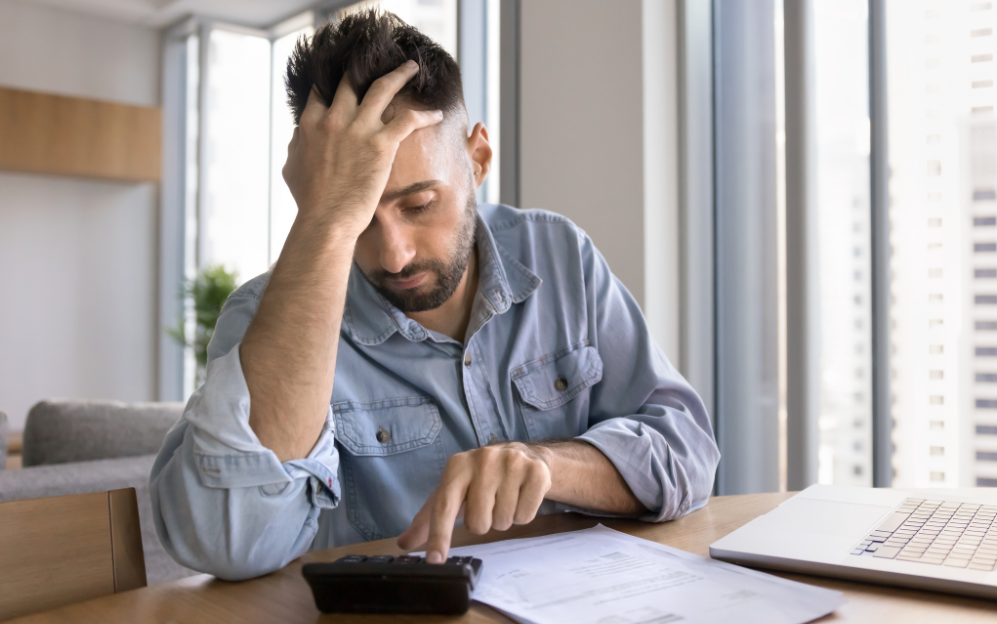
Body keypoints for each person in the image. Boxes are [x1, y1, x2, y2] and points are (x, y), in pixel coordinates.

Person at [150, 9, 720, 581]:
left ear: (477, 160)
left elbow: (688, 450)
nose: (394, 254)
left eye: (419, 205)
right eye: (360, 218)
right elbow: (229, 542)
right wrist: (325, 224)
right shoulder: (261, 319)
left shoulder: (558, 254)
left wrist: (548, 465)